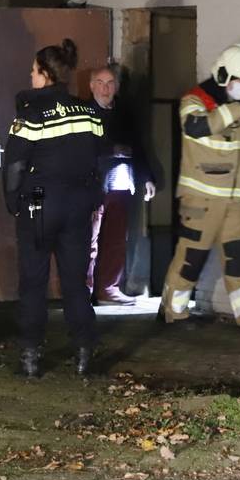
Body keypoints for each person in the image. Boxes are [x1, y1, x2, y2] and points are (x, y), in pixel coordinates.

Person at [1, 39, 104, 377]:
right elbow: (98, 157)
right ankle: (84, 353)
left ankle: (30, 357)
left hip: (39, 202)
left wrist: (13, 202)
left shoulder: (31, 115)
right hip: (78, 203)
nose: (30, 76)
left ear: (45, 74)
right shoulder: (89, 111)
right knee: (75, 281)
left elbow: (14, 164)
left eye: (33, 71)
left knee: (34, 280)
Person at [160, 43, 240, 327]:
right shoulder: (195, 100)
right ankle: (173, 312)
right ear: (223, 75)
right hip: (201, 201)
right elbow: (196, 127)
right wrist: (236, 110)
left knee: (239, 259)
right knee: (191, 258)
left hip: (235, 202)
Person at [88, 64, 156, 306]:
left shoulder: (124, 113)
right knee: (90, 239)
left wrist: (146, 177)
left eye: (110, 83)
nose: (106, 88)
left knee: (116, 239)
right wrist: (111, 150)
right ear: (92, 85)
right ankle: (84, 291)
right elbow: (81, 148)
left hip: (121, 182)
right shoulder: (85, 113)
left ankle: (108, 288)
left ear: (116, 87)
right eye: (101, 82)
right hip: (94, 185)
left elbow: (138, 146)